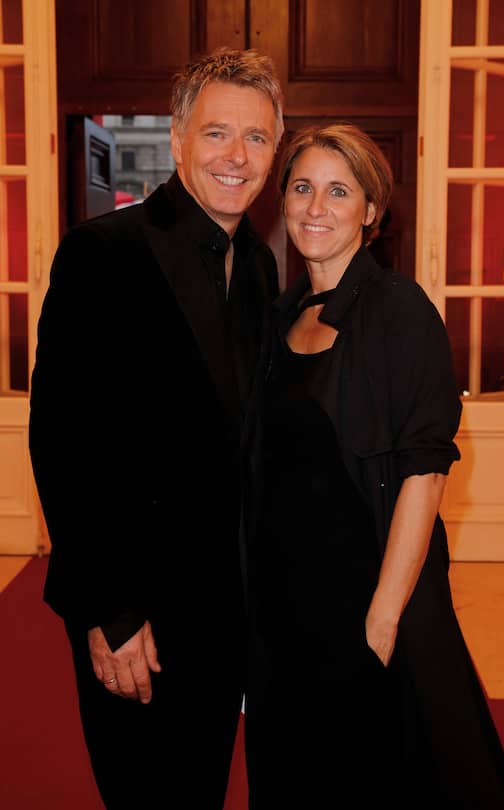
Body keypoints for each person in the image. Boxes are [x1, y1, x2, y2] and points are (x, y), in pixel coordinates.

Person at [244, 124, 504, 809]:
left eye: (339, 191)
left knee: (380, 778)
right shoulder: (280, 318)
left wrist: (381, 621)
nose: (317, 207)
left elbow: (423, 473)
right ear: (281, 201)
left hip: (369, 600)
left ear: (371, 211)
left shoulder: (401, 313)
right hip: (287, 610)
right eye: (303, 187)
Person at [29, 47, 283, 809]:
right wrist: (111, 610)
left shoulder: (263, 270)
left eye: (258, 138)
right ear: (176, 139)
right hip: (136, 615)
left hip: (223, 615)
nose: (236, 157)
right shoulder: (103, 253)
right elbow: (64, 442)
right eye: (216, 134)